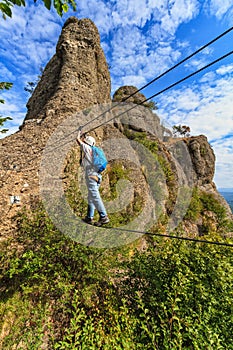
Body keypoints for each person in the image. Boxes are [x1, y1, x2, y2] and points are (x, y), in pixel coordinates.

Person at [76, 129, 109, 226]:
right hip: (98, 176)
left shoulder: (87, 149)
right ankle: (89, 218)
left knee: (94, 196)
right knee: (91, 197)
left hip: (91, 175)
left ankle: (104, 216)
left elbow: (77, 140)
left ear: (87, 143)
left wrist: (79, 132)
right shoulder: (94, 151)